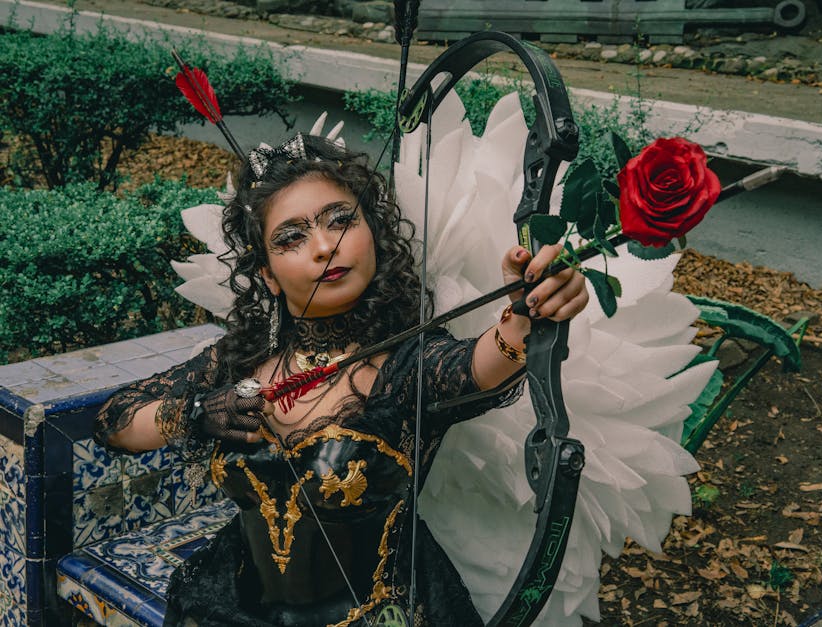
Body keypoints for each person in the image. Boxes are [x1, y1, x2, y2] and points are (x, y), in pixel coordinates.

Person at [94, 133, 589, 626]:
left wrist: (527, 313)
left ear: (372, 233)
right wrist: (196, 414)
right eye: (291, 237)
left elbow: (481, 365)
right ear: (267, 273)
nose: (325, 246)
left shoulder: (406, 364)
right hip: (237, 608)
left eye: (340, 220)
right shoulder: (242, 357)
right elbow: (115, 422)